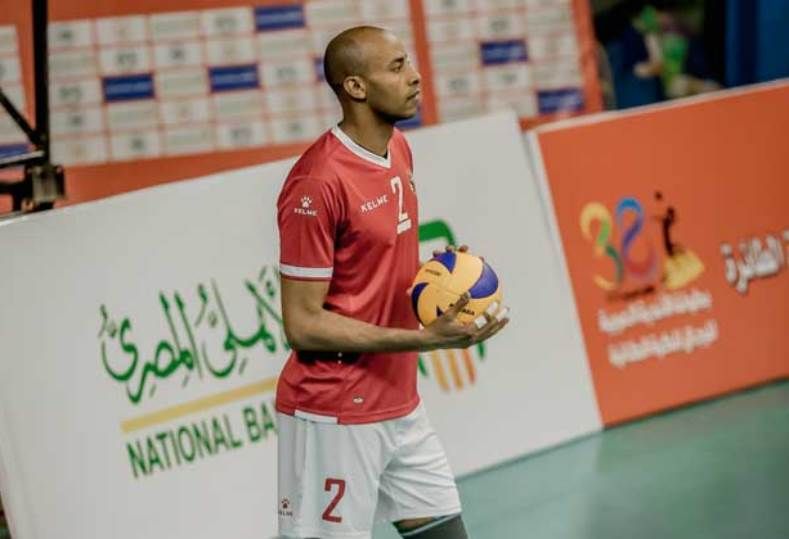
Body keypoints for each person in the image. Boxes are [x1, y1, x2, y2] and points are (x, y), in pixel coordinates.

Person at [275, 26, 509, 539]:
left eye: (410, 63)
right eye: (397, 67)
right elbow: (303, 324)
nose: (416, 76)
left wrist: (441, 280)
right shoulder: (317, 184)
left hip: (398, 402)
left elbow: (375, 260)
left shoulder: (398, 148)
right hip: (334, 412)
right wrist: (423, 340)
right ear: (356, 87)